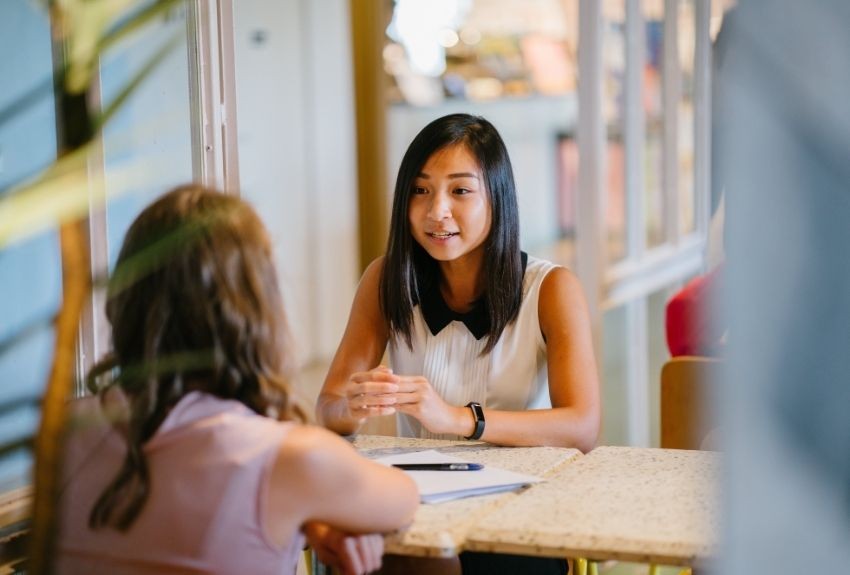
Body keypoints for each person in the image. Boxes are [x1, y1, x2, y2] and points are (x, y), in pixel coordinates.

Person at [56, 185, 419, 575]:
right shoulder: (291, 456)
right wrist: (309, 509)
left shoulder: (61, 432)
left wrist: (303, 516)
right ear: (255, 307)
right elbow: (403, 499)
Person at [318, 114, 601, 573]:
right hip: (416, 504)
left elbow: (582, 426)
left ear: (497, 197)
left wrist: (456, 419)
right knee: (361, 550)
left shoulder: (550, 288)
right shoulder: (385, 280)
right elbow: (328, 409)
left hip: (518, 506)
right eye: (420, 190)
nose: (437, 212)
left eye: (461, 191)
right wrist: (355, 405)